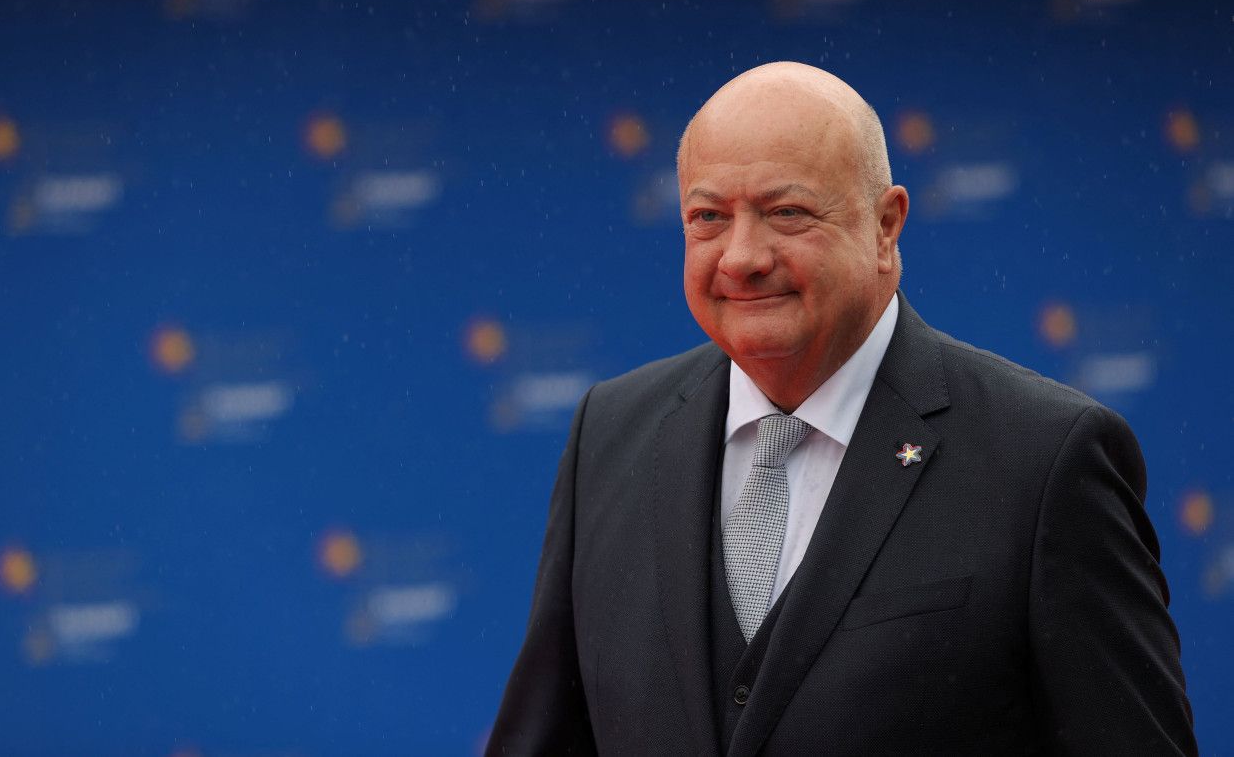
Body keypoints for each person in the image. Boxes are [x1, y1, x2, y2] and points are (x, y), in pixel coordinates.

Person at [486, 62, 1197, 756]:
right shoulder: (609, 435)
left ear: (886, 226)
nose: (741, 256)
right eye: (708, 217)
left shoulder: (1044, 459)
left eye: (786, 212)